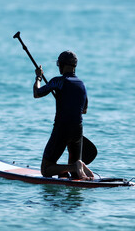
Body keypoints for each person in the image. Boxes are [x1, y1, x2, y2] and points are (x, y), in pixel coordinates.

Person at [33, 51, 94, 180]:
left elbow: (37, 93)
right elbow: (84, 110)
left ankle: (74, 166)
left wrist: (38, 77)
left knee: (46, 169)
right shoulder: (82, 85)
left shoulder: (58, 82)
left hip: (62, 129)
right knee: (75, 176)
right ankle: (76, 168)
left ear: (62, 65)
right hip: (77, 130)